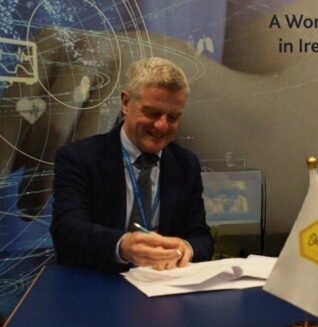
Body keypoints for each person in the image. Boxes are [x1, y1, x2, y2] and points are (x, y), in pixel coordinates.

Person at [51, 56, 214, 273]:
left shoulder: (186, 164)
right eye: (152, 113)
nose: (162, 126)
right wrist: (122, 246)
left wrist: (187, 248)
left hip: (163, 285)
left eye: (173, 117)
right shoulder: (79, 158)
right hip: (97, 282)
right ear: (126, 103)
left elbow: (201, 237)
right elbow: (67, 232)